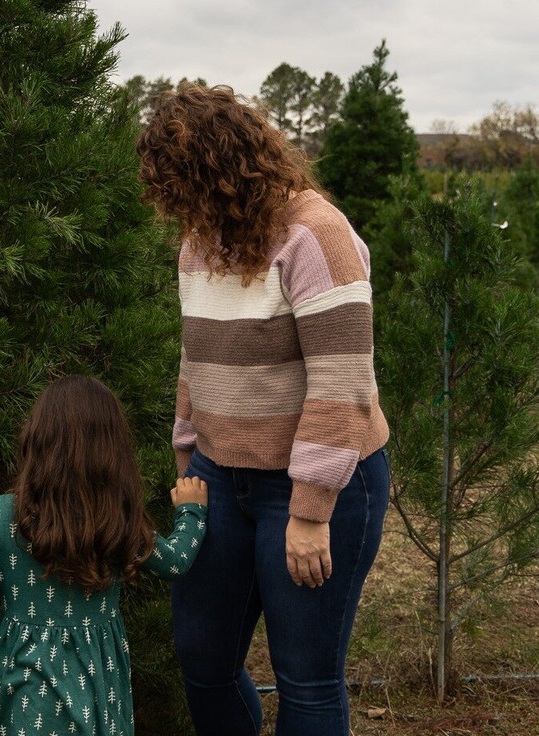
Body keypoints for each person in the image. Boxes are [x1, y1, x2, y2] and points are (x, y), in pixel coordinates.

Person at [135, 84, 391, 736]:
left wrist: (309, 514)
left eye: (189, 187)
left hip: (319, 484)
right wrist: (187, 465)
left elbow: (343, 383)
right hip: (221, 477)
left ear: (225, 169)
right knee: (203, 656)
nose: (181, 207)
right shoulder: (199, 245)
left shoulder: (314, 235)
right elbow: (197, 362)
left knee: (305, 676)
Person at [0, 375, 208, 736]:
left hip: (25, 690)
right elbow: (176, 561)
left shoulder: (0, 516)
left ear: (36, 440)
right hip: (97, 684)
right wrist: (192, 512)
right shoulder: (116, 522)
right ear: (112, 452)